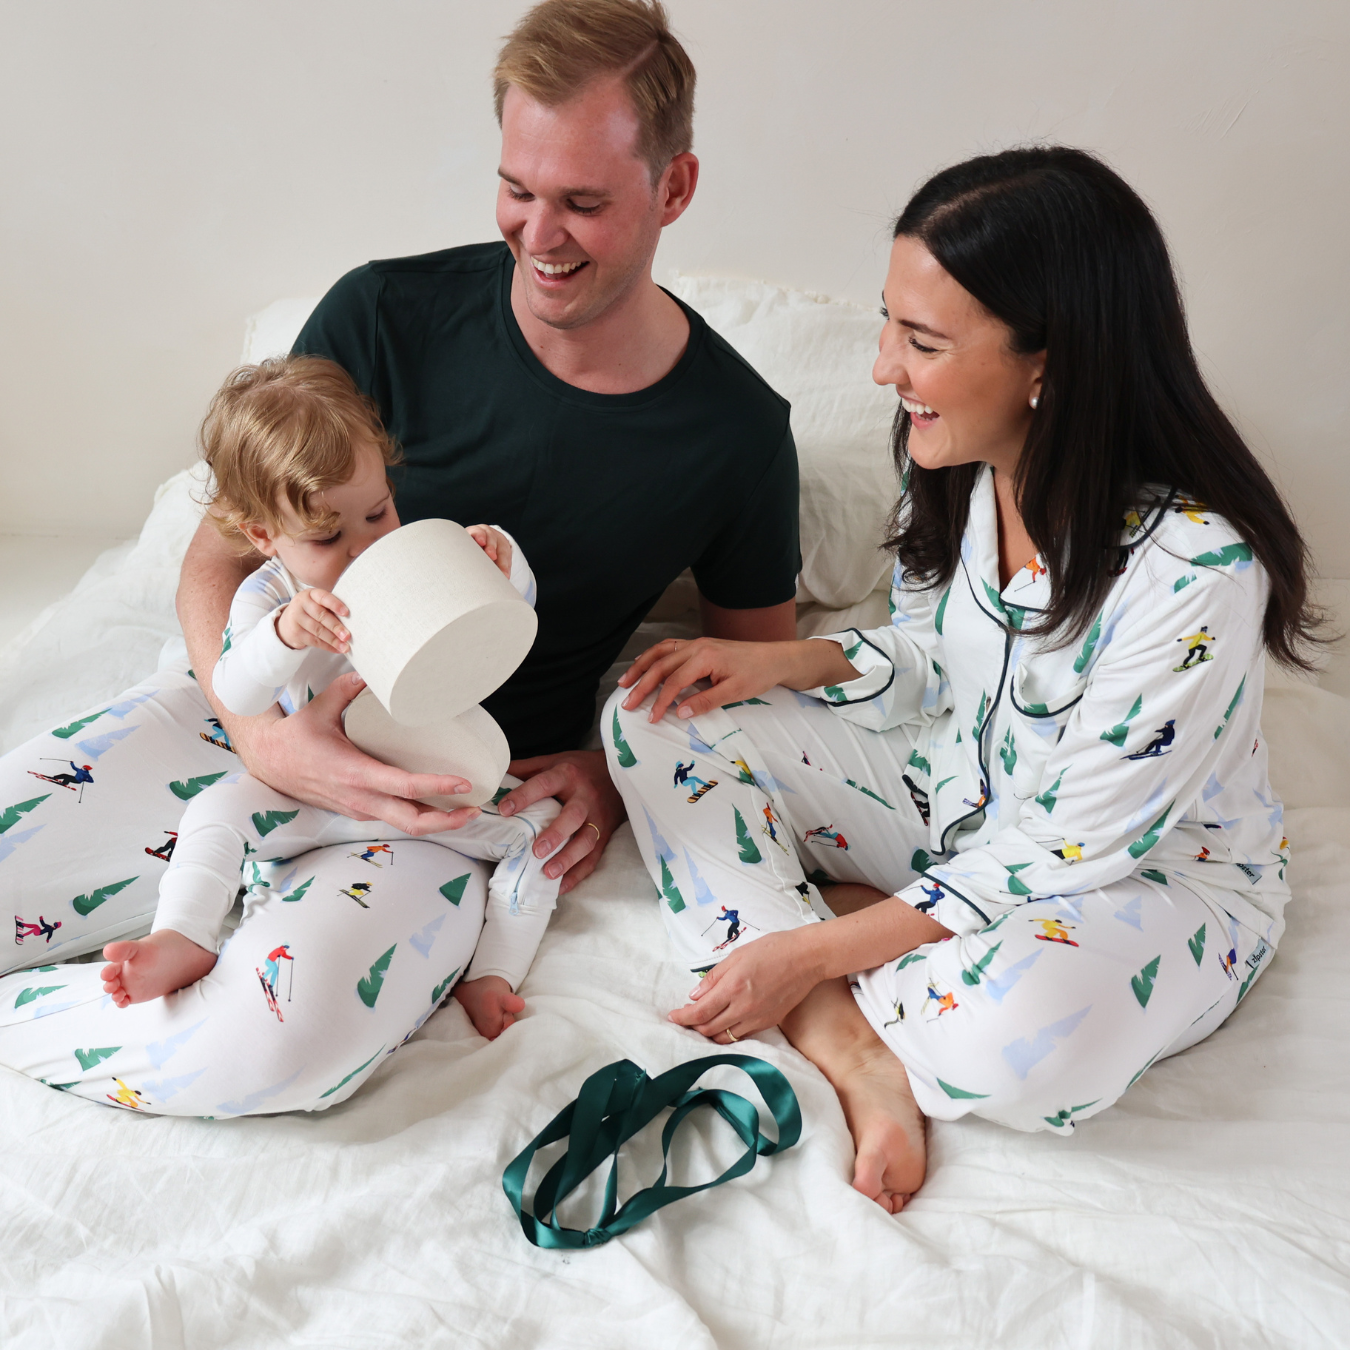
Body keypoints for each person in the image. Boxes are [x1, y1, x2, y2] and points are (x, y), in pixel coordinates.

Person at [0, 0, 797, 1115]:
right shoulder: (383, 313)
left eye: (583, 202)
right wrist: (262, 736)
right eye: (517, 190)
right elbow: (216, 557)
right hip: (250, 716)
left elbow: (753, 679)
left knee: (276, 1046)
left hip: (450, 801)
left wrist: (610, 778)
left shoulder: (736, 433)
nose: (540, 234)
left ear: (674, 188)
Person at [606, 146, 1323, 1213]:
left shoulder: (1198, 573)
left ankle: (815, 969)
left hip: (1136, 882)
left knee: (1017, 1041)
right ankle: (851, 1042)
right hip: (956, 804)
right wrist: (786, 661)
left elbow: (1071, 846)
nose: (883, 369)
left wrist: (813, 947)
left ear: (1051, 366)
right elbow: (939, 659)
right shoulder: (958, 467)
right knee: (654, 710)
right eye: (888, 324)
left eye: (923, 342)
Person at [99, 357, 563, 1056]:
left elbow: (504, 617)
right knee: (215, 812)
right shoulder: (267, 598)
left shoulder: (407, 564)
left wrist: (500, 562)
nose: (364, 547)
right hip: (312, 799)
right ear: (263, 536)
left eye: (378, 513)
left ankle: (492, 972)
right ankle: (185, 935)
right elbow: (238, 691)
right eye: (325, 538)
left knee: (542, 832)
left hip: (426, 787)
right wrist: (283, 636)